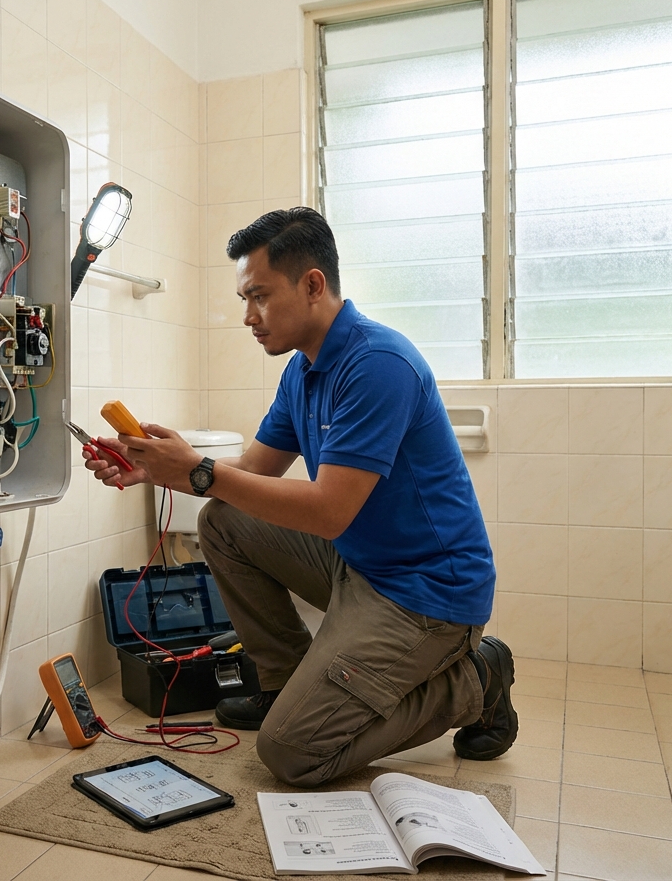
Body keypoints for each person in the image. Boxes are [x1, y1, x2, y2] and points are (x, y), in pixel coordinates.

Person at [83, 208, 516, 788]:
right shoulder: (303, 371)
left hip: (426, 595)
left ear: (313, 285)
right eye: (245, 299)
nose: (247, 317)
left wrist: (199, 470)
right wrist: (155, 469)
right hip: (359, 566)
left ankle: (476, 681)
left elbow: (328, 510)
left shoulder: (377, 365)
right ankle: (282, 681)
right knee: (222, 521)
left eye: (258, 296)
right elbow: (251, 473)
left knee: (292, 753)